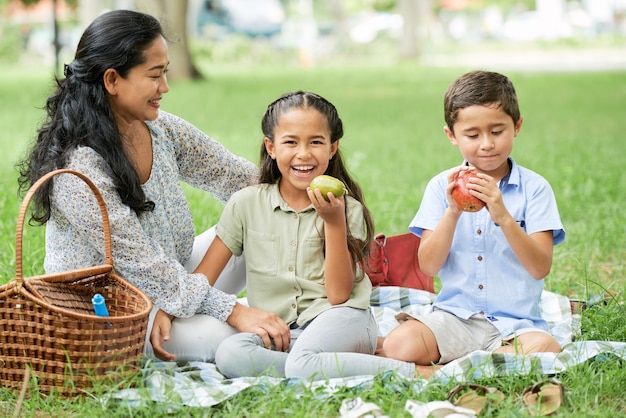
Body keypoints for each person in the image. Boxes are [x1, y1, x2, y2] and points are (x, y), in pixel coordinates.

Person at [16, 9, 289, 363]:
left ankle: (303, 310)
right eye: (154, 75)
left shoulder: (161, 130)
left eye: (166, 73)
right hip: (114, 314)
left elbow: (239, 179)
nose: (165, 87)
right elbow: (142, 265)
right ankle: (296, 340)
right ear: (112, 80)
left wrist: (305, 197)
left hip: (171, 283)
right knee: (226, 335)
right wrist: (234, 312)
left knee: (260, 217)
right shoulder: (78, 168)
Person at [160, 90, 418, 379]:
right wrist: (168, 310)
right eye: (291, 142)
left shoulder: (345, 208)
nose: (304, 153)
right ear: (271, 147)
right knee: (230, 355)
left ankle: (417, 373)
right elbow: (205, 275)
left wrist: (333, 223)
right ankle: (327, 365)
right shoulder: (246, 203)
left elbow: (338, 294)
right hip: (285, 334)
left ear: (332, 148)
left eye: (316, 142)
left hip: (342, 318)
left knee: (302, 360)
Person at [381, 70, 566, 377]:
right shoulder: (441, 186)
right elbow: (428, 265)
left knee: (546, 347)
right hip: (455, 318)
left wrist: (503, 216)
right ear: (452, 136)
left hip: (516, 326)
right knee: (398, 345)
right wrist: (452, 211)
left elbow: (540, 267)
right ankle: (486, 364)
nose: (486, 144)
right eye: (472, 135)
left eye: (497, 131)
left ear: (517, 126)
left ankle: (457, 366)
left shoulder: (535, 189)